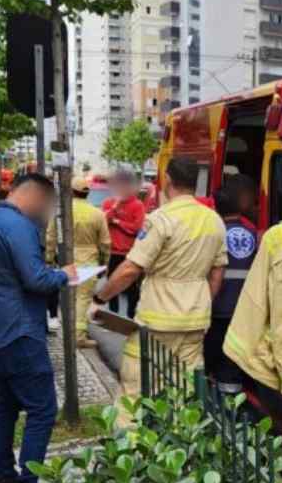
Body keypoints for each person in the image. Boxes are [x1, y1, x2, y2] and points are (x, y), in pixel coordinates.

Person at [0, 173, 77, 483]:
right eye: (46, 205)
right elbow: (36, 279)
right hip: (20, 332)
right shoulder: (19, 228)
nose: (46, 212)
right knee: (43, 410)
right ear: (35, 197)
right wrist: (67, 274)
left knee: (6, 407)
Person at [94, 157, 227, 395]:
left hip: (158, 320)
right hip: (195, 319)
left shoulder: (160, 219)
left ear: (167, 180)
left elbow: (130, 270)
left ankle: (131, 432)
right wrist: (203, 301)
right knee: (184, 390)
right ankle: (179, 432)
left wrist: (100, 298)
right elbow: (217, 272)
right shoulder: (214, 220)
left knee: (136, 388)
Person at [205, 175, 258, 394]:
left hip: (217, 308)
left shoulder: (214, 234)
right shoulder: (254, 234)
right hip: (244, 310)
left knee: (211, 358)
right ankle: (232, 406)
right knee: (232, 361)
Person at [47, 176, 111, 347]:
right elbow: (105, 243)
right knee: (83, 299)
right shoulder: (97, 214)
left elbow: (50, 238)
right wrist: (105, 262)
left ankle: (69, 335)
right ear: (87, 193)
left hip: (66, 262)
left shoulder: (60, 212)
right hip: (89, 262)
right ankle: (79, 337)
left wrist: (48, 259)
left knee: (68, 299)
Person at [101, 169, 146, 317]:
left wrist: (118, 222)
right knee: (111, 284)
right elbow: (104, 221)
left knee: (132, 286)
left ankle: (131, 316)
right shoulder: (109, 203)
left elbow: (136, 228)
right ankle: (113, 317)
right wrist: (115, 206)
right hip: (112, 251)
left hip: (130, 252)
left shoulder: (137, 205)